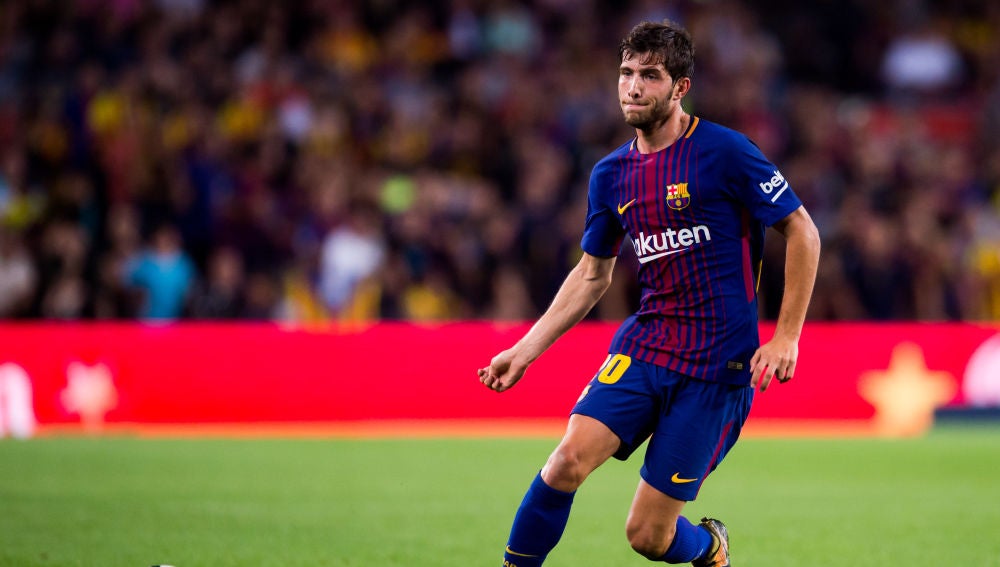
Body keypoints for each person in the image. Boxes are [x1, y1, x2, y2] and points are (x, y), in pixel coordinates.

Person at [478, 20, 820, 566]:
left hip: (716, 369)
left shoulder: (726, 152)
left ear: (680, 86)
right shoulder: (610, 175)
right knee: (565, 461)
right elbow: (592, 274)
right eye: (626, 73)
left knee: (647, 537)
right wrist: (525, 349)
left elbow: (802, 230)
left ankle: (710, 548)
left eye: (650, 76)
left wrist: (786, 336)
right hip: (646, 348)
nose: (633, 87)